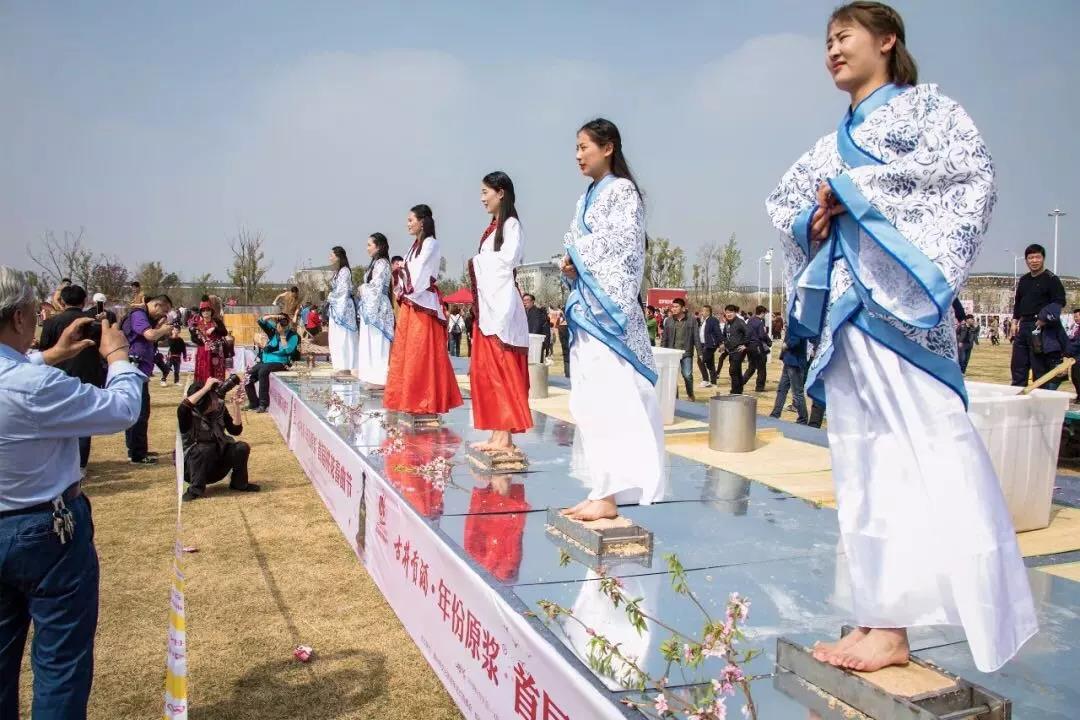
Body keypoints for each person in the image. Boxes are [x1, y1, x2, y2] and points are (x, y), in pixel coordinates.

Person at [766, 1, 1035, 673]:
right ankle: (880, 615)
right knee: (864, 463)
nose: (832, 49)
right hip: (848, 320)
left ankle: (984, 607)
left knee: (930, 446)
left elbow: (971, 177)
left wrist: (856, 192)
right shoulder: (833, 141)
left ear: (886, 40)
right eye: (826, 40)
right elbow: (786, 203)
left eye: (844, 36)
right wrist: (814, 219)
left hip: (903, 312)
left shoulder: (930, 114)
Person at [0, 265, 144, 719]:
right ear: (21, 317)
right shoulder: (31, 386)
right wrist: (119, 356)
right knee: (60, 663)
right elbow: (122, 409)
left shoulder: (28, 375)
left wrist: (49, 354)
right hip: (45, 530)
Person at [559, 118, 664, 522]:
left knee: (611, 400)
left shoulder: (623, 193)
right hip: (587, 312)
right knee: (589, 402)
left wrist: (579, 256)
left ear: (609, 148)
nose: (578, 154)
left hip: (609, 317)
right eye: (577, 147)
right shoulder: (585, 197)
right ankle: (600, 487)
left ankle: (611, 492)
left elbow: (621, 246)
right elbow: (578, 243)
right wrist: (572, 264)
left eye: (584, 146)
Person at [468, 171, 533, 453]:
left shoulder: (511, 225)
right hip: (489, 309)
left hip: (503, 309)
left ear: (501, 193)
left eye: (486, 192)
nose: (482, 198)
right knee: (488, 373)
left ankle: (505, 437)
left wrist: (478, 262)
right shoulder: (494, 227)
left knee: (502, 372)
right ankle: (496, 433)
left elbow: (508, 260)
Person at [384, 204, 463, 415]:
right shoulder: (414, 246)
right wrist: (401, 270)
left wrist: (402, 269)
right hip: (412, 303)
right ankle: (409, 399)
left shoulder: (430, 243)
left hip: (424, 303)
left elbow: (417, 272)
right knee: (407, 351)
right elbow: (410, 270)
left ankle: (424, 401)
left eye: (410, 220)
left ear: (422, 221)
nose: (407, 224)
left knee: (421, 352)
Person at [37, 284, 107, 471]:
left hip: (59, 374)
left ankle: (60, 461)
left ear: (62, 301)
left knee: (59, 417)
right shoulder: (93, 323)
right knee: (84, 420)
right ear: (84, 301)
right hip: (87, 373)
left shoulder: (52, 322)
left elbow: (44, 349)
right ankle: (81, 465)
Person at [179, 378, 259, 501]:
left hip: (217, 465)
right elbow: (184, 407)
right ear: (203, 402)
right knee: (204, 448)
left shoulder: (219, 408)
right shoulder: (188, 414)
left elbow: (235, 431)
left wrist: (236, 407)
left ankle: (239, 483)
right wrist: (206, 388)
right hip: (192, 469)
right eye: (213, 398)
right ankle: (195, 490)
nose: (217, 400)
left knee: (241, 447)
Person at [121, 293, 174, 464]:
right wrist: (163, 330)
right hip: (134, 369)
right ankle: (137, 454)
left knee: (139, 411)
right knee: (140, 412)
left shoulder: (144, 316)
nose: (162, 315)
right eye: (163, 311)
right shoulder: (138, 315)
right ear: (157, 305)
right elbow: (150, 335)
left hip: (139, 370)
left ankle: (137, 449)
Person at [1010, 243, 1068, 387]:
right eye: (1030, 258)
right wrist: (1014, 321)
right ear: (1026, 260)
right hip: (1023, 326)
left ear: (1043, 258)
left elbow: (1060, 301)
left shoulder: (1051, 279)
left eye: (1037, 257)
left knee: (1039, 368)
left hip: (1041, 327)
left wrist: (1044, 319)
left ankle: (1039, 402)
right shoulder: (1023, 280)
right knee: (1018, 366)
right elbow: (1018, 302)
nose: (1034, 261)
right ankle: (1018, 398)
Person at [354, 233, 395, 385]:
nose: (367, 248)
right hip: (370, 307)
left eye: (369, 245)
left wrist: (363, 288)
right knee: (370, 343)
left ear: (378, 246)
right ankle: (371, 377)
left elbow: (376, 286)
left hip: (378, 308)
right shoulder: (375, 263)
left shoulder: (382, 263)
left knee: (378, 343)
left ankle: (380, 379)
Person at [245, 314, 299, 412]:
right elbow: (261, 320)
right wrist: (274, 316)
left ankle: (263, 404)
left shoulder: (293, 335)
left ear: (288, 322)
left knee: (263, 371)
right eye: (280, 321)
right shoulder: (273, 331)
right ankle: (253, 402)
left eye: (284, 321)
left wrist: (282, 335)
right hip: (266, 361)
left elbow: (288, 351)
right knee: (247, 376)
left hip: (281, 362)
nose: (282, 324)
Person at [326, 246, 359, 377]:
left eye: (331, 255)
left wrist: (330, 297)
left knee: (345, 336)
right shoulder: (337, 272)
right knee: (336, 337)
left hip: (344, 308)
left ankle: (347, 366)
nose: (330, 257)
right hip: (336, 308)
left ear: (338, 256)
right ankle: (339, 365)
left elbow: (343, 291)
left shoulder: (345, 271)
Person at [661, 297, 697, 400]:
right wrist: (663, 351)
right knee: (672, 377)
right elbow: (664, 338)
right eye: (673, 306)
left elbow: (696, 337)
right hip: (672, 353)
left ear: (683, 308)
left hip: (686, 353)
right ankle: (674, 398)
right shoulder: (668, 321)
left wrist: (700, 353)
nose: (674, 308)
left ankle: (690, 395)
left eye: (676, 306)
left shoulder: (691, 320)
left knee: (687, 375)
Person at [770, 333, 810, 424]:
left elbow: (796, 339)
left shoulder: (796, 320)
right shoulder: (794, 320)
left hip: (795, 362)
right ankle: (775, 414)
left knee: (797, 393)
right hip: (789, 361)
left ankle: (803, 419)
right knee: (782, 389)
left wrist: (786, 345)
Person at [190, 298, 228, 386]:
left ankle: (218, 392)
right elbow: (193, 339)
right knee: (203, 371)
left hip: (217, 352)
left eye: (208, 310)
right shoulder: (197, 324)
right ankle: (203, 391)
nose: (206, 312)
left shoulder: (217, 321)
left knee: (217, 370)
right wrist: (197, 336)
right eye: (203, 311)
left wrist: (215, 329)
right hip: (203, 352)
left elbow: (224, 332)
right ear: (201, 313)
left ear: (211, 311)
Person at [741, 305, 771, 392]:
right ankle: (760, 387)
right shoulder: (759, 322)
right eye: (764, 313)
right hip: (757, 346)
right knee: (761, 368)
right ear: (762, 313)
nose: (765, 315)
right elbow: (762, 335)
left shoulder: (749, 321)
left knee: (751, 367)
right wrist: (768, 341)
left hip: (749, 347)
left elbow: (746, 334)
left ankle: (741, 383)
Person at [720, 305, 748, 394]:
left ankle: (735, 391)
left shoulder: (740, 322)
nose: (729, 314)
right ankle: (739, 390)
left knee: (733, 370)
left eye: (731, 312)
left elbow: (748, 333)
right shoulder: (727, 323)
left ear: (735, 312)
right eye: (727, 312)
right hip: (730, 350)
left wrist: (745, 345)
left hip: (738, 350)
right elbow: (724, 335)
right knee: (737, 371)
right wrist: (724, 344)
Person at [696, 304, 722, 387]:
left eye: (703, 311)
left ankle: (706, 380)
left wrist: (721, 343)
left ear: (708, 312)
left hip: (710, 344)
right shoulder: (704, 320)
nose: (702, 312)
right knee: (710, 364)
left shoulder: (713, 320)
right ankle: (713, 382)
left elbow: (718, 331)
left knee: (700, 361)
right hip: (703, 344)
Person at [522, 293, 551, 361]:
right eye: (524, 300)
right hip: (528, 342)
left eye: (527, 300)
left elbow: (535, 329)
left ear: (532, 301)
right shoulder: (524, 312)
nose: (525, 302)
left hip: (536, 343)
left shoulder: (537, 312)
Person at [1068, 308, 1080, 403]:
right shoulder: (1075, 327)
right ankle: (1079, 396)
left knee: (1077, 377)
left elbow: (1077, 342)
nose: (1076, 319)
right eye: (1074, 317)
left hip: (1078, 357)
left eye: (1077, 316)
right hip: (1075, 357)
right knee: (1074, 377)